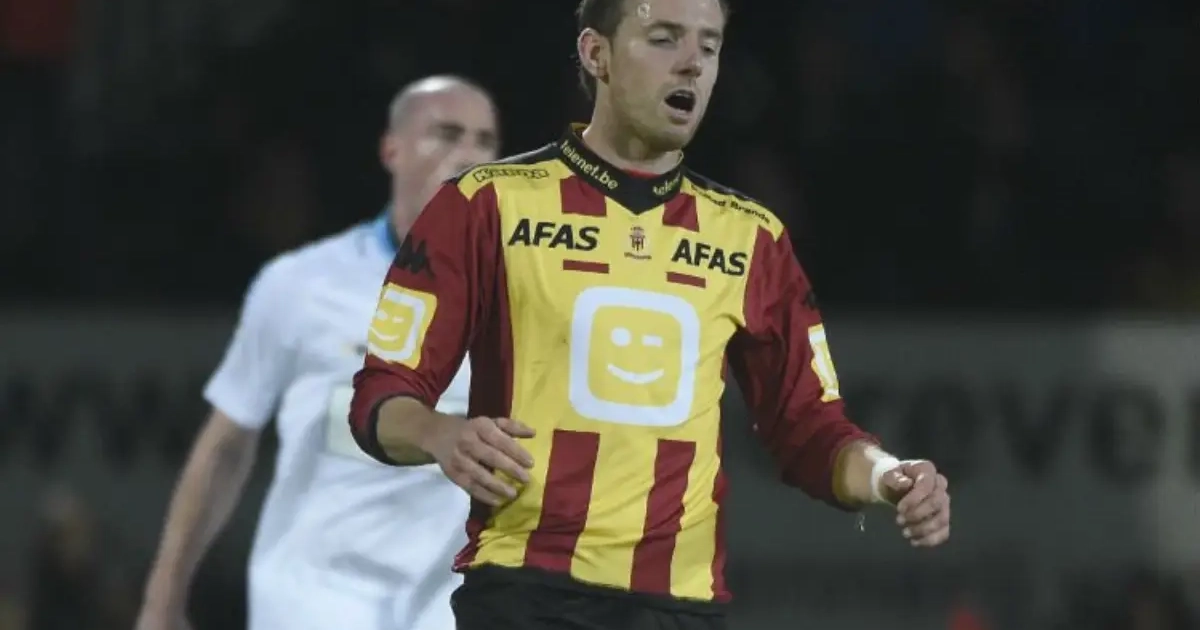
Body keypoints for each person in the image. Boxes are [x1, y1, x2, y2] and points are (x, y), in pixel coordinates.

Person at [348, 0, 952, 628]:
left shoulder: (752, 239)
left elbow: (810, 429)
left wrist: (888, 476)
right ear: (596, 54)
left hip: (679, 609)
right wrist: (439, 435)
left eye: (709, 46)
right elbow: (382, 392)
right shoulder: (484, 205)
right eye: (664, 38)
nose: (692, 63)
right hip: (526, 598)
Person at [136, 75, 500, 630]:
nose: (468, 156)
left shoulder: (523, 295)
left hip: (447, 607)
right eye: (446, 135)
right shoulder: (300, 284)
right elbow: (226, 446)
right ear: (392, 150)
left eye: (485, 141)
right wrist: (163, 600)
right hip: (309, 599)